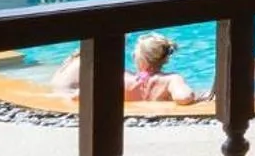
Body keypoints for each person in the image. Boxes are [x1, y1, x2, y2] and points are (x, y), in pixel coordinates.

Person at [50, 33, 210, 104]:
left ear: (136, 58)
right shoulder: (171, 79)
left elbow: (80, 95)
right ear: (165, 58)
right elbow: (183, 97)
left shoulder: (121, 79)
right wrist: (196, 96)